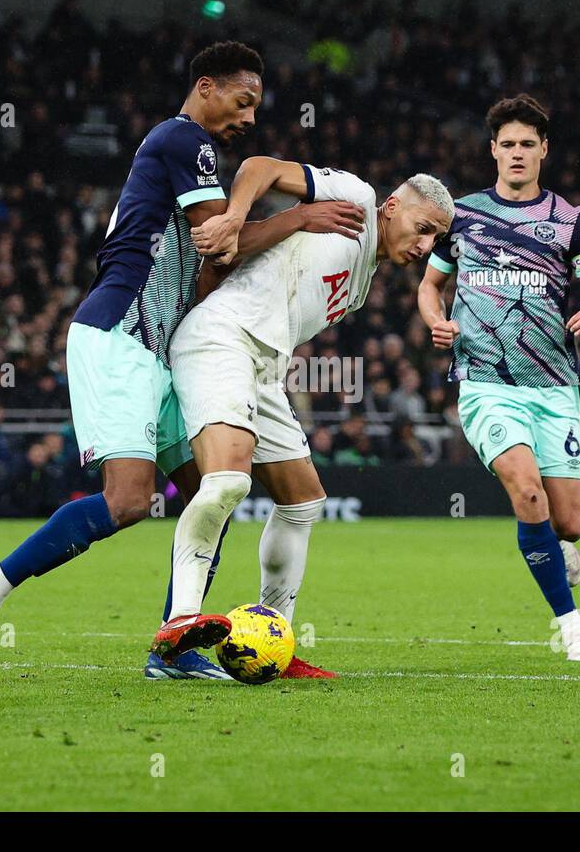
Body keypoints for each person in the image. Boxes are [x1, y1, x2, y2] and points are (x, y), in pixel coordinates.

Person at [0, 41, 365, 685]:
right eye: (242, 100)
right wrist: (302, 217)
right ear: (205, 86)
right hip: (116, 335)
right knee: (130, 501)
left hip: (157, 348)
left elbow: (207, 259)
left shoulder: (191, 154)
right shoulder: (181, 138)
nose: (249, 118)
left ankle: (171, 647)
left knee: (210, 490)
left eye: (256, 107)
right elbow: (217, 242)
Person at [166, 157, 452, 677]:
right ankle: (181, 618)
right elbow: (261, 166)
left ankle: (274, 639)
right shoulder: (359, 199)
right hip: (223, 339)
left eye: (436, 238)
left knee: (302, 502)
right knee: (228, 483)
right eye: (423, 228)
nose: (426, 245)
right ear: (393, 208)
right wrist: (234, 217)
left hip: (264, 367)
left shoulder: (365, 276)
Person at [418, 94, 580, 662]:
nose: (516, 153)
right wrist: (436, 321)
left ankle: (555, 549)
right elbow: (430, 285)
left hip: (554, 386)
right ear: (492, 150)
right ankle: (572, 626)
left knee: (571, 524)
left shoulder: (569, 220)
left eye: (526, 144)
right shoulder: (461, 214)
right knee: (526, 493)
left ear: (543, 151)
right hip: (486, 382)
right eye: (506, 144)